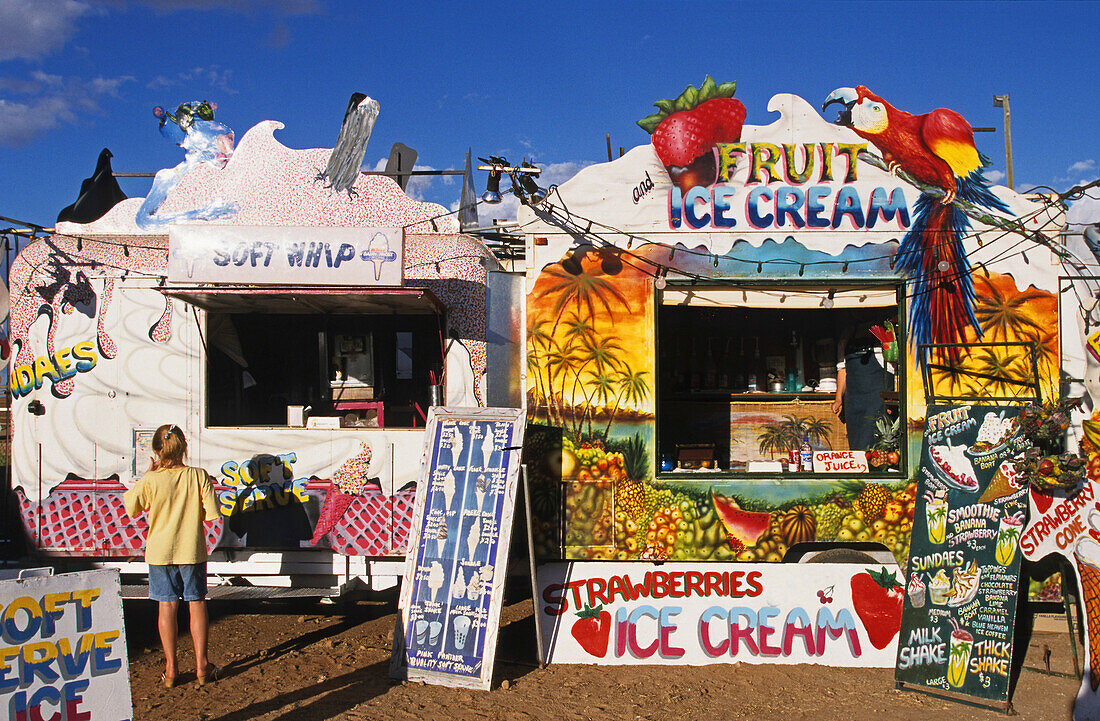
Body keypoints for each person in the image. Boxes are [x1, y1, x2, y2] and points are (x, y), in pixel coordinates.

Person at [123, 424, 220, 688]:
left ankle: (171, 669)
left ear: (156, 451)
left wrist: (146, 474)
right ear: (184, 448)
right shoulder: (198, 475)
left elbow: (131, 506)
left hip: (159, 551)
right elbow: (212, 512)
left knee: (166, 607)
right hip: (191, 549)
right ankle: (202, 666)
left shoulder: (152, 479)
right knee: (196, 603)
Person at [831, 321, 895, 451]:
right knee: (855, 441)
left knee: (873, 441)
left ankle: (875, 470)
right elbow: (842, 370)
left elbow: (892, 368)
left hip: (876, 400)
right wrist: (838, 399)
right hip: (854, 401)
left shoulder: (882, 337)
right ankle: (859, 470)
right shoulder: (845, 339)